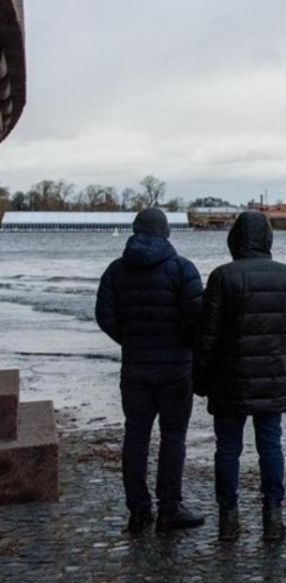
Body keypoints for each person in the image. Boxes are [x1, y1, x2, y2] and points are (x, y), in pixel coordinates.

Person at [193, 211, 286, 542]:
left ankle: (228, 519)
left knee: (228, 449)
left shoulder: (222, 277)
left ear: (235, 240)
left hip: (228, 380)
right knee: (270, 446)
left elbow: (207, 336)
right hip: (272, 377)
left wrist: (200, 379)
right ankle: (273, 517)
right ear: (268, 239)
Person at [95, 207, 206, 534]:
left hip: (135, 367)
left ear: (135, 230)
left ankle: (138, 511)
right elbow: (197, 319)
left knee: (136, 436)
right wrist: (184, 345)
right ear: (165, 233)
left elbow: (104, 316)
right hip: (175, 369)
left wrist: (129, 339)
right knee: (173, 438)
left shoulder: (115, 271)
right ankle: (169, 509)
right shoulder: (182, 269)